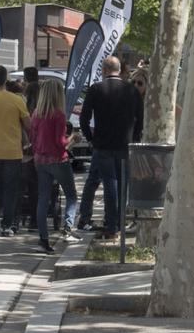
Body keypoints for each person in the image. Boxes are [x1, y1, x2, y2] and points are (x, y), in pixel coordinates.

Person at [79, 57, 141, 235]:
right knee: (123, 185)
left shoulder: (95, 89)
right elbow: (140, 118)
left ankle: (112, 224)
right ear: (119, 69)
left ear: (104, 70)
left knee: (109, 184)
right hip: (125, 145)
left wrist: (91, 138)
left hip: (103, 145)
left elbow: (84, 118)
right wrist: (134, 138)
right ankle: (120, 222)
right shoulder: (132, 90)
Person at [0, 65, 30, 235]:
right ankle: (7, 225)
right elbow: (28, 124)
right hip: (13, 152)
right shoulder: (17, 100)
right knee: (11, 189)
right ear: (6, 78)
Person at [29, 79, 77, 251]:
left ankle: (43, 238)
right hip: (58, 160)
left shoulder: (36, 114)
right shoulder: (58, 115)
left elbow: (32, 139)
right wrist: (73, 138)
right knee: (71, 195)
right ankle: (68, 228)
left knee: (43, 198)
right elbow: (60, 142)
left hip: (40, 160)